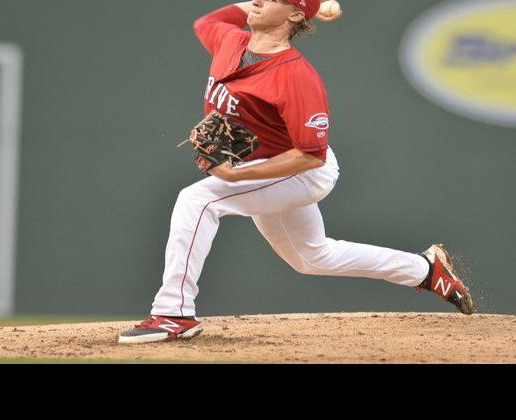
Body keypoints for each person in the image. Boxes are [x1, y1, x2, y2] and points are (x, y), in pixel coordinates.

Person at [119, 0, 475, 344]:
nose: (257, 1)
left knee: (197, 200)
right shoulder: (231, 41)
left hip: (302, 170)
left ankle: (173, 312)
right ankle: (426, 270)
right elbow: (207, 22)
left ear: (292, 15)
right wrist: (311, 8)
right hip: (264, 165)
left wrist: (235, 176)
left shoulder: (296, 76)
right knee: (311, 256)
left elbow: (311, 155)